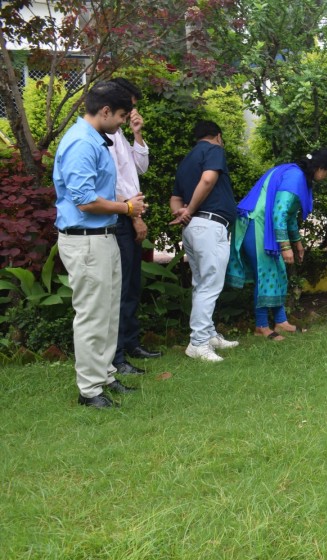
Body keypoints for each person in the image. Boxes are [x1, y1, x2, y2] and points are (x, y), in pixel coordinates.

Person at [53, 81, 147, 408]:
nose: (122, 122)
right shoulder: (81, 143)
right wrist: (127, 208)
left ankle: (105, 375)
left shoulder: (96, 139)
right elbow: (85, 201)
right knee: (93, 316)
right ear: (105, 111)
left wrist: (123, 208)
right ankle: (90, 390)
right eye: (121, 115)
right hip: (86, 241)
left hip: (103, 237)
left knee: (107, 314)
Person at [226, 150, 327, 340]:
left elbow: (290, 216)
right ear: (319, 168)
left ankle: (281, 322)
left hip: (264, 227)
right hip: (255, 224)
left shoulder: (299, 177)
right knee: (265, 273)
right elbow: (279, 214)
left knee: (278, 272)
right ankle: (261, 326)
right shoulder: (295, 177)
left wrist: (297, 244)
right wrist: (286, 248)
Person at [170, 120, 239, 362]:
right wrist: (190, 210)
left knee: (201, 284)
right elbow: (208, 179)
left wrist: (182, 213)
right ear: (218, 136)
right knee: (209, 285)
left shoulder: (187, 160)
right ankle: (198, 342)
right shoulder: (214, 150)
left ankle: (208, 335)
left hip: (194, 228)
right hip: (210, 225)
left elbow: (175, 198)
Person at [107, 77, 160, 376]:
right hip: (121, 216)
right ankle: (117, 356)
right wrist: (134, 216)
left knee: (131, 285)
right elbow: (113, 183)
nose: (131, 113)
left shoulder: (118, 133)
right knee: (121, 286)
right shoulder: (103, 136)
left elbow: (140, 168)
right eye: (129, 107)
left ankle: (130, 343)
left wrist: (137, 134)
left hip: (128, 213)